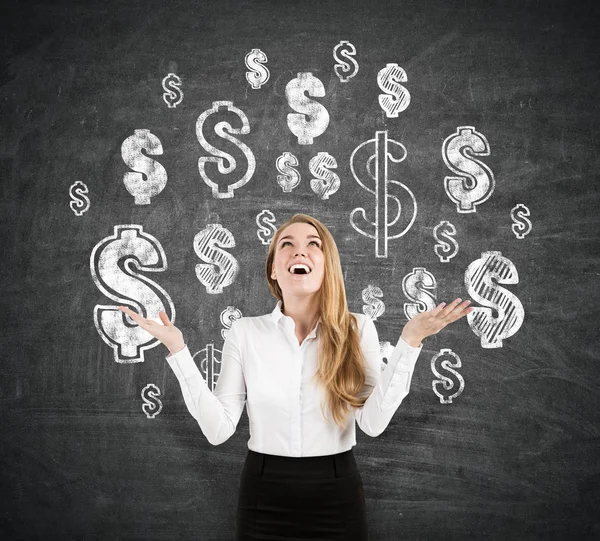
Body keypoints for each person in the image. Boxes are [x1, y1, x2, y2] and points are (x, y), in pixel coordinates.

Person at [118, 213, 473, 540]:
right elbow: (218, 429)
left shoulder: (357, 328)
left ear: (325, 266)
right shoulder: (244, 333)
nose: (299, 251)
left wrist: (410, 343)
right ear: (273, 269)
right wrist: (178, 349)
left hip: (338, 493)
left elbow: (373, 423)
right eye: (286, 244)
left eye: (312, 244)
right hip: (263, 493)